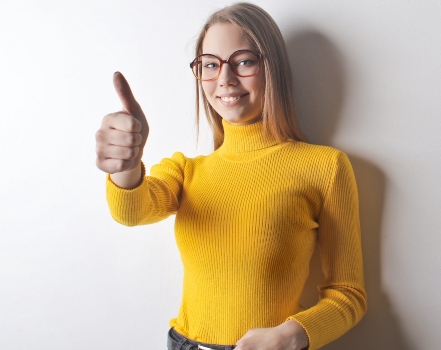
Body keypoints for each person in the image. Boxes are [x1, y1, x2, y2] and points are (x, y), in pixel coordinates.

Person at [94, 3, 367, 350]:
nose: (225, 78)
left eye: (244, 61)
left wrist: (291, 336)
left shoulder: (325, 167)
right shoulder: (186, 171)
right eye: (210, 64)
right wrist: (127, 165)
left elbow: (349, 294)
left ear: (273, 68)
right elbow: (131, 212)